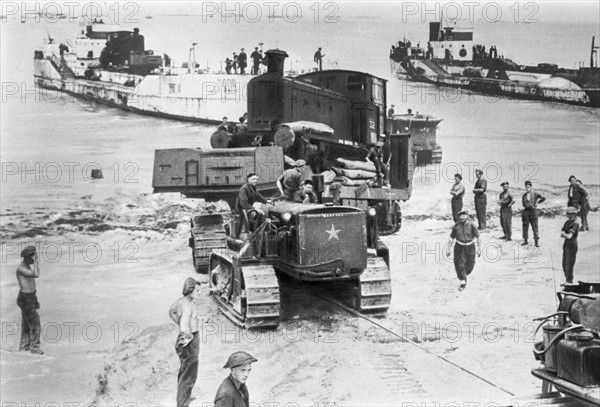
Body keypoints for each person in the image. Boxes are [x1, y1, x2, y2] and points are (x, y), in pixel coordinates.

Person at [169, 278, 202, 407]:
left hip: (188, 338)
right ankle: (182, 403)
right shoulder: (188, 306)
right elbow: (184, 326)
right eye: (197, 291)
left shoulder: (183, 302)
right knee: (190, 371)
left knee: (185, 369)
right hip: (190, 339)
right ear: (190, 290)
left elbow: (171, 312)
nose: (200, 293)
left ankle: (185, 395)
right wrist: (188, 337)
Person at [16, 246, 43, 355]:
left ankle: (24, 347)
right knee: (35, 323)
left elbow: (31, 286)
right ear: (27, 257)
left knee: (27, 323)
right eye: (32, 256)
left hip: (30, 297)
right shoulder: (21, 268)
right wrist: (36, 262)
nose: (33, 259)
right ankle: (34, 348)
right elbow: (36, 275)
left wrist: (35, 300)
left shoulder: (26, 266)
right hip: (26, 298)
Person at [446, 210, 481, 291]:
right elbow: (451, 237)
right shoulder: (456, 226)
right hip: (459, 247)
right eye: (461, 216)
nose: (462, 217)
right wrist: (448, 249)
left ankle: (464, 274)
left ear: (467, 216)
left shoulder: (472, 225)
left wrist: (479, 249)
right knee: (460, 265)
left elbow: (478, 236)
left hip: (470, 247)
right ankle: (463, 282)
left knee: (470, 266)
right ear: (459, 217)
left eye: (464, 216)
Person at [521, 180, 546, 247]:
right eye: (525, 187)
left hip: (533, 212)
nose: (526, 188)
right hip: (526, 211)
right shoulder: (524, 195)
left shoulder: (535, 193)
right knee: (525, 226)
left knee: (535, 226)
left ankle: (536, 242)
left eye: (528, 186)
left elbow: (543, 198)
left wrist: (538, 202)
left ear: (531, 187)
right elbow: (523, 204)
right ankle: (525, 241)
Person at [561, 207, 580, 284]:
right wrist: (565, 234)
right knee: (564, 263)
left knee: (569, 263)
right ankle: (567, 279)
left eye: (568, 214)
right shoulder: (567, 222)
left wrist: (564, 234)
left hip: (572, 244)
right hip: (566, 243)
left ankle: (569, 280)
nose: (567, 215)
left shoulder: (576, 223)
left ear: (573, 214)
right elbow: (563, 233)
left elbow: (569, 236)